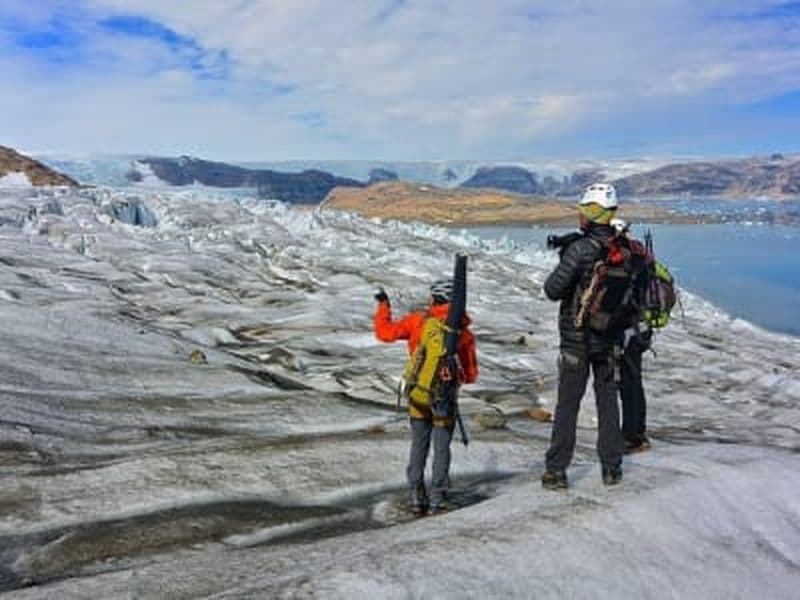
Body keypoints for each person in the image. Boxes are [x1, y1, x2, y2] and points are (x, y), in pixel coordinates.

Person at [541, 183, 626, 489]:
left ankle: (556, 471)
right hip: (610, 339)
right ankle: (612, 469)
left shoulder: (580, 249)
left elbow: (552, 290)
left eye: (582, 209)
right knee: (607, 402)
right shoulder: (623, 250)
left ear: (590, 213)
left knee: (568, 405)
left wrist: (566, 259)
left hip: (577, 341)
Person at [374, 280, 478, 514]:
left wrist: (383, 305)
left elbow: (384, 333)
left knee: (418, 444)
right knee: (442, 447)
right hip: (444, 399)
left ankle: (415, 495)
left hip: (418, 395)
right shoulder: (463, 333)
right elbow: (471, 375)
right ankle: (438, 498)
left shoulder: (418, 322)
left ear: (433, 300)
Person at [610, 217, 653, 454]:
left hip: (627, 328)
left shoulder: (624, 258)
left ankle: (630, 437)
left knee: (627, 382)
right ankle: (638, 431)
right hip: (642, 327)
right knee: (634, 380)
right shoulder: (640, 254)